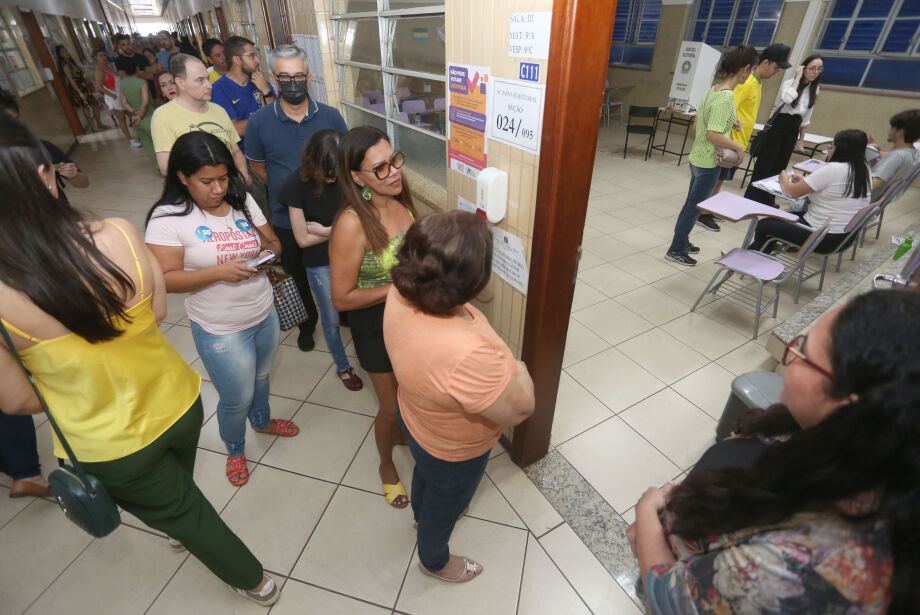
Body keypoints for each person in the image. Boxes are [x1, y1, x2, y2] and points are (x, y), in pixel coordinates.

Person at [0, 113, 280, 606]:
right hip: (178, 401)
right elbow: (159, 307)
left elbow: (21, 400)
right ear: (46, 173)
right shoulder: (119, 233)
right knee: (180, 494)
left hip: (111, 441)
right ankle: (180, 527)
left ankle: (256, 581)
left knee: (187, 514)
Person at [631, 289, 920, 613]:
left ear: (849, 407)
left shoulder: (797, 569)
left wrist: (647, 516)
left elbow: (666, 598)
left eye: (805, 354)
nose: (791, 356)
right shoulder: (880, 452)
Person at [384, 210, 536, 581]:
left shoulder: (401, 289)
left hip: (418, 421)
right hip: (454, 450)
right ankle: (434, 560)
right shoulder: (463, 352)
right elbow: (521, 409)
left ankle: (421, 516)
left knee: (425, 474)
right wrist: (519, 369)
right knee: (445, 501)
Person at [145, 131, 298, 488]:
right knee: (235, 397)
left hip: (263, 312)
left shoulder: (241, 200)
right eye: (206, 181)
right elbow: (165, 279)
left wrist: (264, 258)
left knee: (262, 379)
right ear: (182, 177)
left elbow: (274, 243)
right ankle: (234, 448)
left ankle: (262, 421)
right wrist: (219, 273)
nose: (217, 189)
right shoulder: (168, 218)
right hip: (220, 328)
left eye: (223, 178)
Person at [330, 126, 416, 508]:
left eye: (394, 159)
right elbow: (341, 298)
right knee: (390, 406)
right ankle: (385, 464)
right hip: (374, 324)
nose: (393, 171)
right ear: (356, 176)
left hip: (411, 318)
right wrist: (398, 288)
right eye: (380, 168)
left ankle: (405, 435)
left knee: (413, 397)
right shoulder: (351, 223)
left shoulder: (401, 199)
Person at [246, 44, 348, 351]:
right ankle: (308, 322)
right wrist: (292, 194)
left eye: (298, 76)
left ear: (309, 77)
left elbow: (345, 159)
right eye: (284, 77)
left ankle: (343, 310)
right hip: (285, 216)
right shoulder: (259, 121)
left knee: (338, 267)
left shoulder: (330, 115)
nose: (292, 83)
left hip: (331, 213)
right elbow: (257, 165)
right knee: (297, 273)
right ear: (274, 78)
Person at [279, 129, 363, 391]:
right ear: (312, 161)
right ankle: (342, 366)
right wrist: (339, 229)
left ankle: (367, 357)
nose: (333, 178)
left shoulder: (350, 175)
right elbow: (302, 239)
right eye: (328, 172)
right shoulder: (294, 184)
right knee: (332, 319)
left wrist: (325, 230)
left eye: (337, 170)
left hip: (354, 254)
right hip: (320, 262)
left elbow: (363, 218)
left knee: (361, 312)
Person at [665, 45, 756, 266]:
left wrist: (730, 122)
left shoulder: (714, 90)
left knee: (691, 204)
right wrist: (737, 147)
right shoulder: (726, 98)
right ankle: (675, 249)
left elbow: (699, 123)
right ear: (745, 69)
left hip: (698, 157)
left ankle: (682, 241)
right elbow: (712, 133)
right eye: (751, 70)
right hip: (709, 162)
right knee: (694, 207)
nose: (750, 75)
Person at [697, 43, 789, 231]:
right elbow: (729, 107)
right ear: (765, 62)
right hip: (729, 142)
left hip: (738, 141)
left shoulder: (757, 82)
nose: (776, 72)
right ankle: (703, 213)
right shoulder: (746, 83)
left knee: (721, 179)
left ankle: (709, 209)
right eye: (775, 67)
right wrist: (734, 130)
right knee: (716, 179)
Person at [749, 129, 872, 254]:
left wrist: (783, 178)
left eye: (831, 147)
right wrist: (805, 181)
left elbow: (791, 192)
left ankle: (757, 259)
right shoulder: (863, 169)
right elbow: (833, 190)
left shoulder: (833, 169)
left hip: (823, 237)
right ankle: (753, 252)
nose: (828, 150)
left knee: (764, 225)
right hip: (844, 236)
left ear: (842, 149)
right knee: (781, 218)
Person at [151, 54, 250, 183]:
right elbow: (166, 167)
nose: (209, 85)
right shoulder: (163, 116)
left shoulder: (219, 110)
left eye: (207, 79)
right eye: (200, 80)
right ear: (181, 83)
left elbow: (235, 150)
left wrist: (243, 174)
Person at [744, 54, 824, 206]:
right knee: (765, 163)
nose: (815, 72)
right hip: (779, 125)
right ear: (803, 68)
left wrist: (801, 139)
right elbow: (787, 99)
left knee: (780, 166)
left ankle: (768, 199)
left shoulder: (815, 89)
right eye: (812, 68)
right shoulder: (789, 83)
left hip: (793, 128)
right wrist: (797, 78)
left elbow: (807, 116)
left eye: (819, 69)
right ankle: (752, 198)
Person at [1, 89, 89, 205]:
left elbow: (84, 182)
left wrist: (74, 175)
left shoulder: (42, 148)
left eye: (14, 121)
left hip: (60, 215)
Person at [211, 36, 276, 153]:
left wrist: (267, 92)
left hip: (272, 151)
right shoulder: (218, 90)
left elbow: (277, 116)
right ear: (237, 60)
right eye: (251, 56)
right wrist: (265, 115)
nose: (257, 60)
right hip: (245, 157)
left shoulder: (261, 83)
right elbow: (235, 130)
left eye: (256, 55)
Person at [93, 48, 141, 148]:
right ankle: (131, 140)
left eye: (105, 55)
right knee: (122, 119)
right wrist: (112, 95)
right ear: (95, 58)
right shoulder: (99, 70)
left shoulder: (109, 66)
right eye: (100, 56)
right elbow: (99, 87)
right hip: (113, 97)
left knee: (131, 114)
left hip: (121, 94)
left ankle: (140, 135)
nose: (104, 58)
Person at [868, 109, 920, 200]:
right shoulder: (912, 153)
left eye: (892, 127)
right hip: (876, 201)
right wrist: (870, 155)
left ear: (901, 132)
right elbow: (885, 172)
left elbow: (871, 186)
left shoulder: (897, 156)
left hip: (861, 201)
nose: (889, 130)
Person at [117, 57, 156, 170]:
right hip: (148, 115)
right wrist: (141, 114)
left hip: (135, 119)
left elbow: (123, 102)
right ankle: (166, 167)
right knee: (158, 143)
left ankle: (158, 167)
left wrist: (134, 112)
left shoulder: (123, 83)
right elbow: (145, 102)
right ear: (137, 68)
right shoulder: (142, 82)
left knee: (147, 144)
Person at [55, 44, 102, 132]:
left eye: (66, 50)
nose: (66, 53)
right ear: (59, 55)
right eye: (63, 52)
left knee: (94, 104)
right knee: (86, 107)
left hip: (83, 85)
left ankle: (99, 123)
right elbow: (71, 79)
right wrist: (79, 92)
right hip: (77, 87)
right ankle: (93, 126)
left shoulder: (71, 62)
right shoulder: (64, 64)